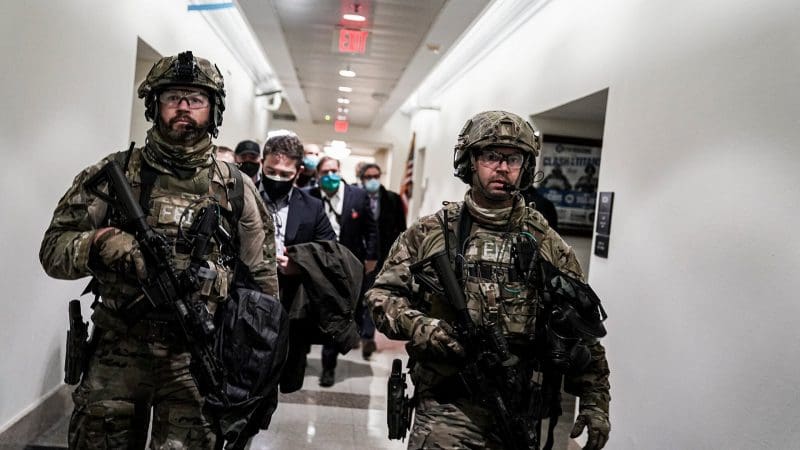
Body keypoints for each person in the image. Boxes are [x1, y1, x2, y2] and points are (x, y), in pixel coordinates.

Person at [39, 51, 278, 449]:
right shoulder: (112, 174)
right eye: (173, 97)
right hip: (117, 351)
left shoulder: (237, 189)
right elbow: (53, 250)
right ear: (154, 105)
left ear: (213, 110)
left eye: (195, 99)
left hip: (195, 359)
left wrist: (253, 373)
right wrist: (99, 244)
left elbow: (263, 289)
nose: (184, 107)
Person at [366, 111, 611, 449]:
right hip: (446, 402)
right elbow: (382, 297)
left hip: (519, 404)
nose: (502, 167)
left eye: (513, 158)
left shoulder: (546, 243)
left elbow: (578, 328)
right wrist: (427, 328)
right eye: (490, 156)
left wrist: (596, 400)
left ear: (525, 166)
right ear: (470, 162)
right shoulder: (432, 232)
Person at [309, 156, 378, 386]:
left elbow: (371, 228)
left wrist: (371, 257)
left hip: (349, 262)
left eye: (335, 170)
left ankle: (329, 364)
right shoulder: (309, 195)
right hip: (318, 262)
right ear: (318, 175)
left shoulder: (357, 196)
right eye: (326, 171)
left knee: (339, 311)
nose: (331, 175)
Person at [358, 162, 407, 359]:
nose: (373, 180)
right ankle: (355, 330)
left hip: (383, 257)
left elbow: (401, 231)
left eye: (376, 176)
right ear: (362, 179)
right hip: (358, 256)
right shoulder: (355, 198)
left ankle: (368, 337)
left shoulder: (392, 199)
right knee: (357, 296)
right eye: (368, 177)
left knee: (373, 296)